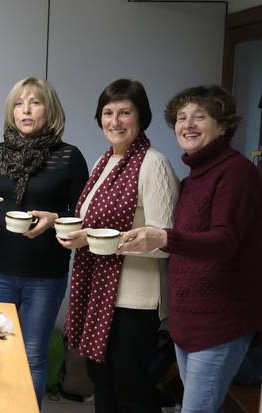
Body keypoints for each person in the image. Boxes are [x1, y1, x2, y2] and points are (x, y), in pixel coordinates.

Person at [118, 85, 261, 413]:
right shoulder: (194, 176)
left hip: (220, 320)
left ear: (222, 125)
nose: (188, 124)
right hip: (188, 320)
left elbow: (224, 242)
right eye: (181, 118)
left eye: (200, 116)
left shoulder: (236, 172)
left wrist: (163, 237)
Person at [60, 79, 179, 413]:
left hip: (135, 300)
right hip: (100, 292)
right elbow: (92, 221)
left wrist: (99, 241)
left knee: (131, 390)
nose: (114, 121)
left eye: (125, 112)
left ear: (141, 117)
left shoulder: (152, 164)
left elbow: (165, 241)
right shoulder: (106, 161)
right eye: (108, 113)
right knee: (102, 382)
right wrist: (66, 225)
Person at [0, 76, 88, 406]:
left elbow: (83, 214)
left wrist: (56, 220)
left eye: (35, 102)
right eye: (19, 103)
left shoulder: (68, 157)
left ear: (49, 111)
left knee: (33, 355)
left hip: (45, 274)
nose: (25, 110)